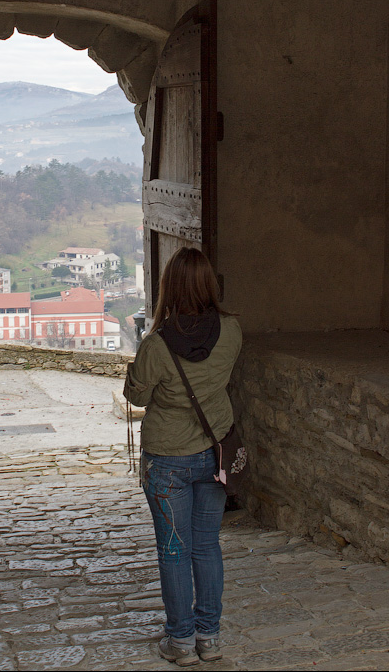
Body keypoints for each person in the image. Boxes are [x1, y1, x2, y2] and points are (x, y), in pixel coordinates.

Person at [124, 247, 242, 667]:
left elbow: (137, 396)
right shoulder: (232, 330)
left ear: (168, 288)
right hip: (215, 452)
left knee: (174, 549)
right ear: (210, 284)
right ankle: (209, 637)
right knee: (207, 545)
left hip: (168, 457)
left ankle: (180, 641)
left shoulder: (156, 345)